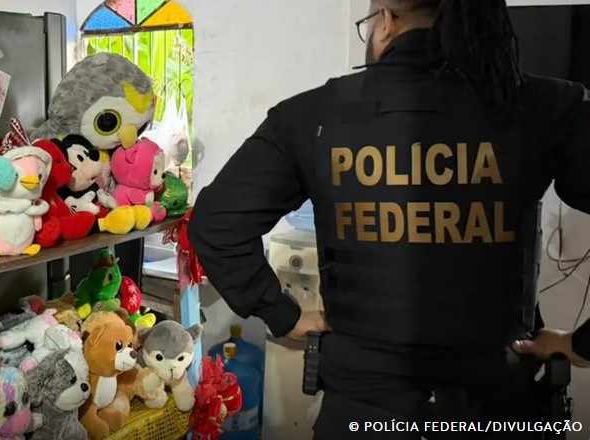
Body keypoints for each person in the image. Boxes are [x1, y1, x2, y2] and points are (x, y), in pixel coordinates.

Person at [188, 0, 590, 438]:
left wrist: (282, 313)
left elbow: (216, 223)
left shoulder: (311, 115)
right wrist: (581, 345)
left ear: (386, 22)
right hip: (499, 407)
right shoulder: (545, 107)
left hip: (362, 415)